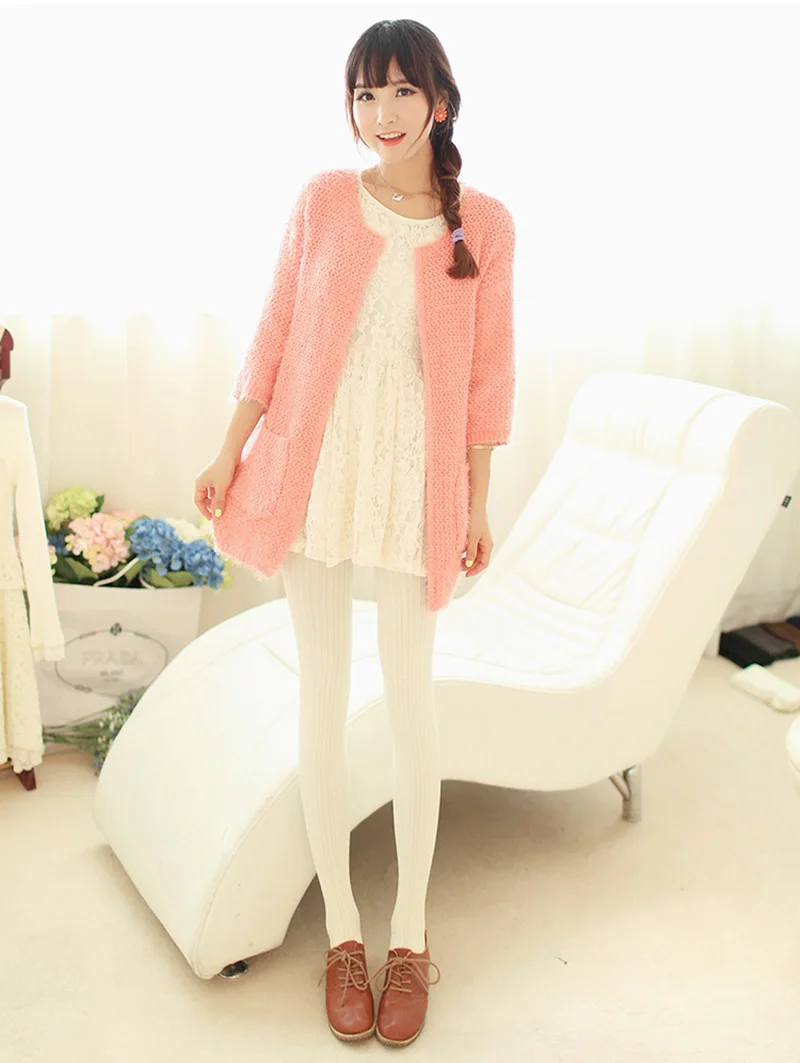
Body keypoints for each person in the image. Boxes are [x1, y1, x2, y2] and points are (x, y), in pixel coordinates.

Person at [194, 18, 515, 1049]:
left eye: (399, 92)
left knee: (412, 706)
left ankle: (409, 935)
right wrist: (228, 450)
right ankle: (342, 930)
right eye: (364, 94)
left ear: (440, 102)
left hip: (414, 489)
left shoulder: (484, 224)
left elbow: (487, 377)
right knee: (322, 700)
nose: (380, 114)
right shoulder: (323, 201)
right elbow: (273, 332)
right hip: (317, 477)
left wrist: (474, 500)